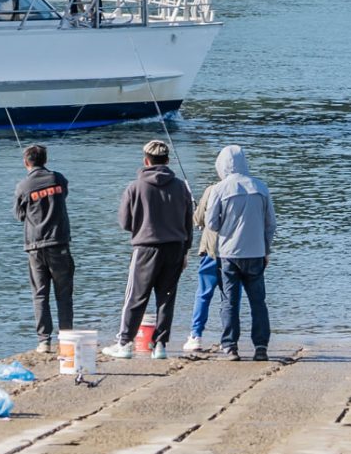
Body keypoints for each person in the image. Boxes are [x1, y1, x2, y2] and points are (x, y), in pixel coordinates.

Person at [102, 139, 193, 361]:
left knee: (135, 296)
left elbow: (125, 222)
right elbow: (187, 222)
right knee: (166, 298)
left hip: (145, 248)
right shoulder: (181, 186)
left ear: (146, 160)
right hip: (175, 248)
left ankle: (125, 344)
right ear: (168, 161)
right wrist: (185, 251)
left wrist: (143, 225)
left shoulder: (135, 187)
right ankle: (160, 345)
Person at [204, 144, 276, 361]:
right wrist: (266, 249)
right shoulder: (261, 187)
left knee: (229, 301)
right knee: (258, 302)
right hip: (256, 252)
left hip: (229, 254)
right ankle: (261, 347)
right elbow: (270, 224)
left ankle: (230, 346)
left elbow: (211, 224)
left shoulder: (219, 189)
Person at [14, 143, 74, 353]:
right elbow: (63, 196)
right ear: (45, 160)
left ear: (26, 162)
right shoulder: (59, 179)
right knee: (63, 294)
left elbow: (19, 215)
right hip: (59, 243)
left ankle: (44, 341)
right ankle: (66, 338)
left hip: (35, 246)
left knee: (40, 294)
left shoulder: (23, 186)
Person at [184, 175, 222, 354]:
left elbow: (197, 219)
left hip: (212, 250)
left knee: (204, 294)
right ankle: (229, 338)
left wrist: (200, 214)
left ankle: (196, 336)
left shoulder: (212, 190)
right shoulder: (248, 188)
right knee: (231, 296)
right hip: (237, 253)